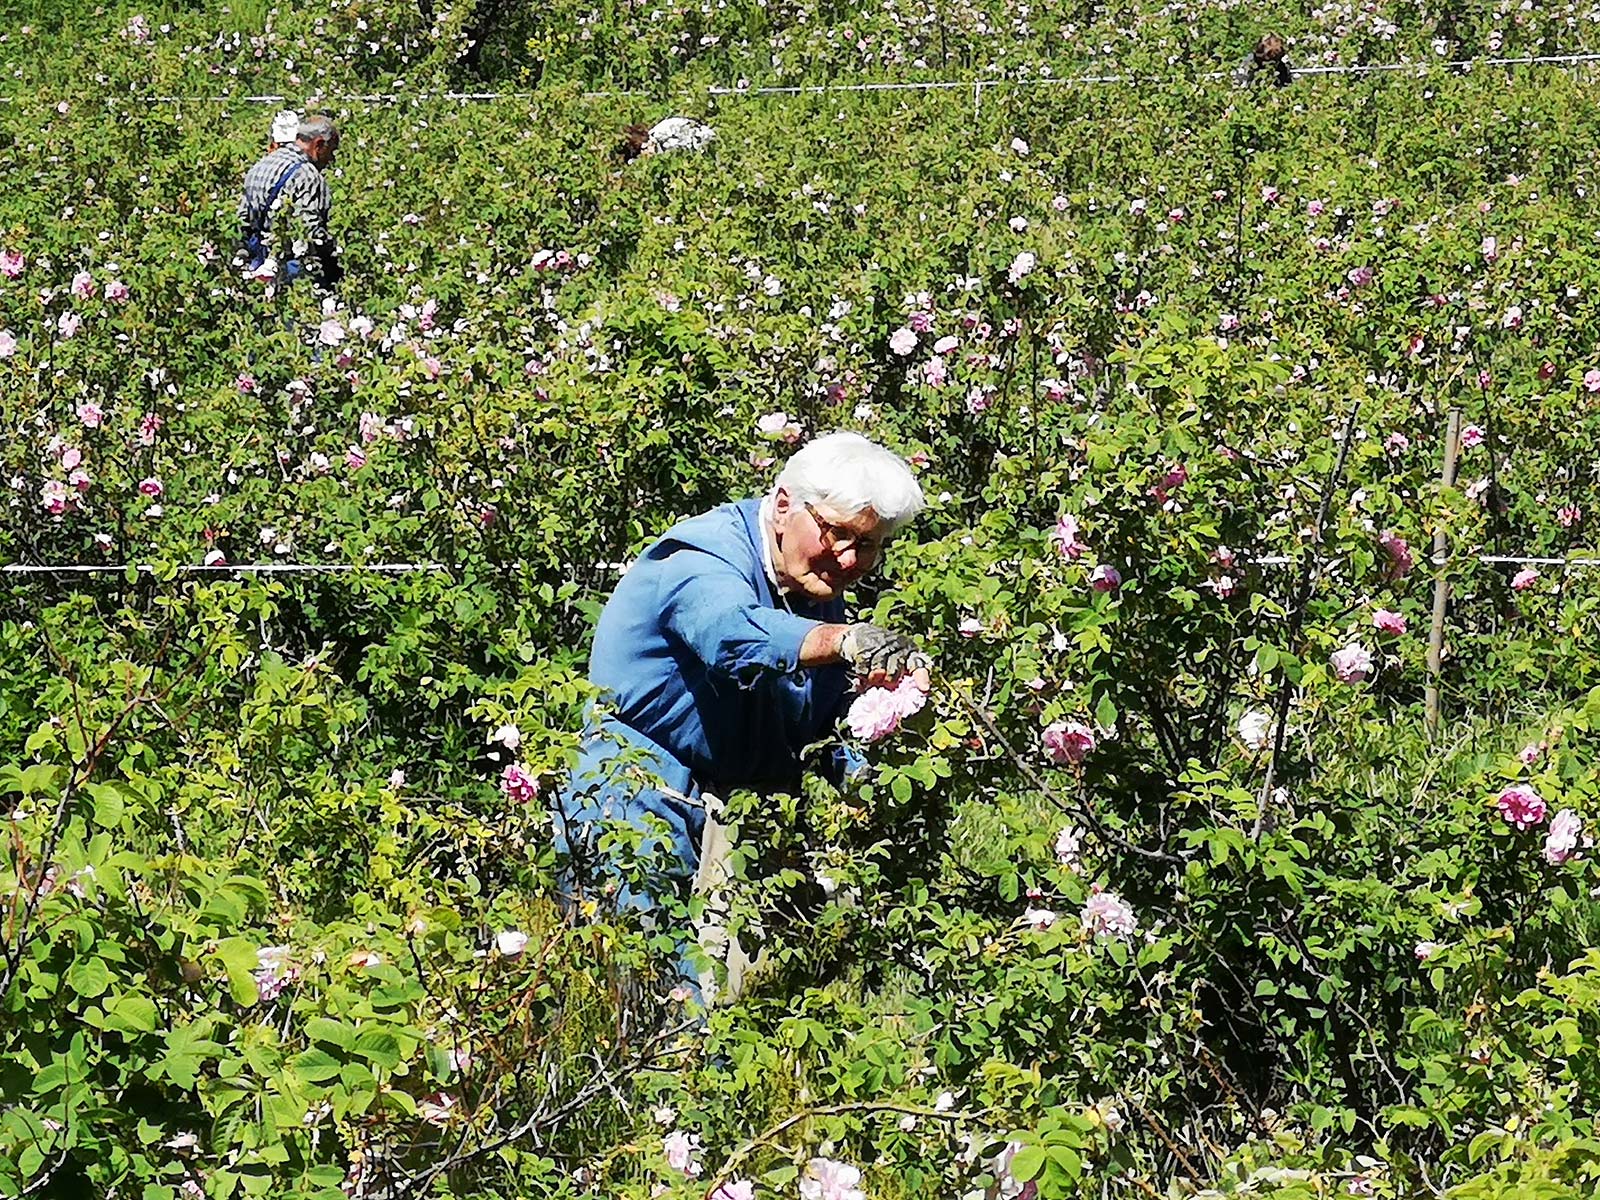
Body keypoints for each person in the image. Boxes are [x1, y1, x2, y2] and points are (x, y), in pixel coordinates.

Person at [556, 431, 930, 1002]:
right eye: (838, 534)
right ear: (784, 505)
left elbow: (818, 717)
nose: (851, 559)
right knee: (635, 984)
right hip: (634, 793)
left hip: (730, 804)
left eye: (870, 544)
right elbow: (730, 634)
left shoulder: (814, 583)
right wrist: (842, 640)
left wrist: (879, 754)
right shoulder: (702, 556)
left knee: (736, 1000)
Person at [237, 113, 343, 294]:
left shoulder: (261, 165)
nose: (331, 159)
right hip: (292, 269)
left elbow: (242, 219)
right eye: (331, 151)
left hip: (261, 265)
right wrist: (336, 256)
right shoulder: (307, 175)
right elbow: (310, 231)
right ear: (318, 144)